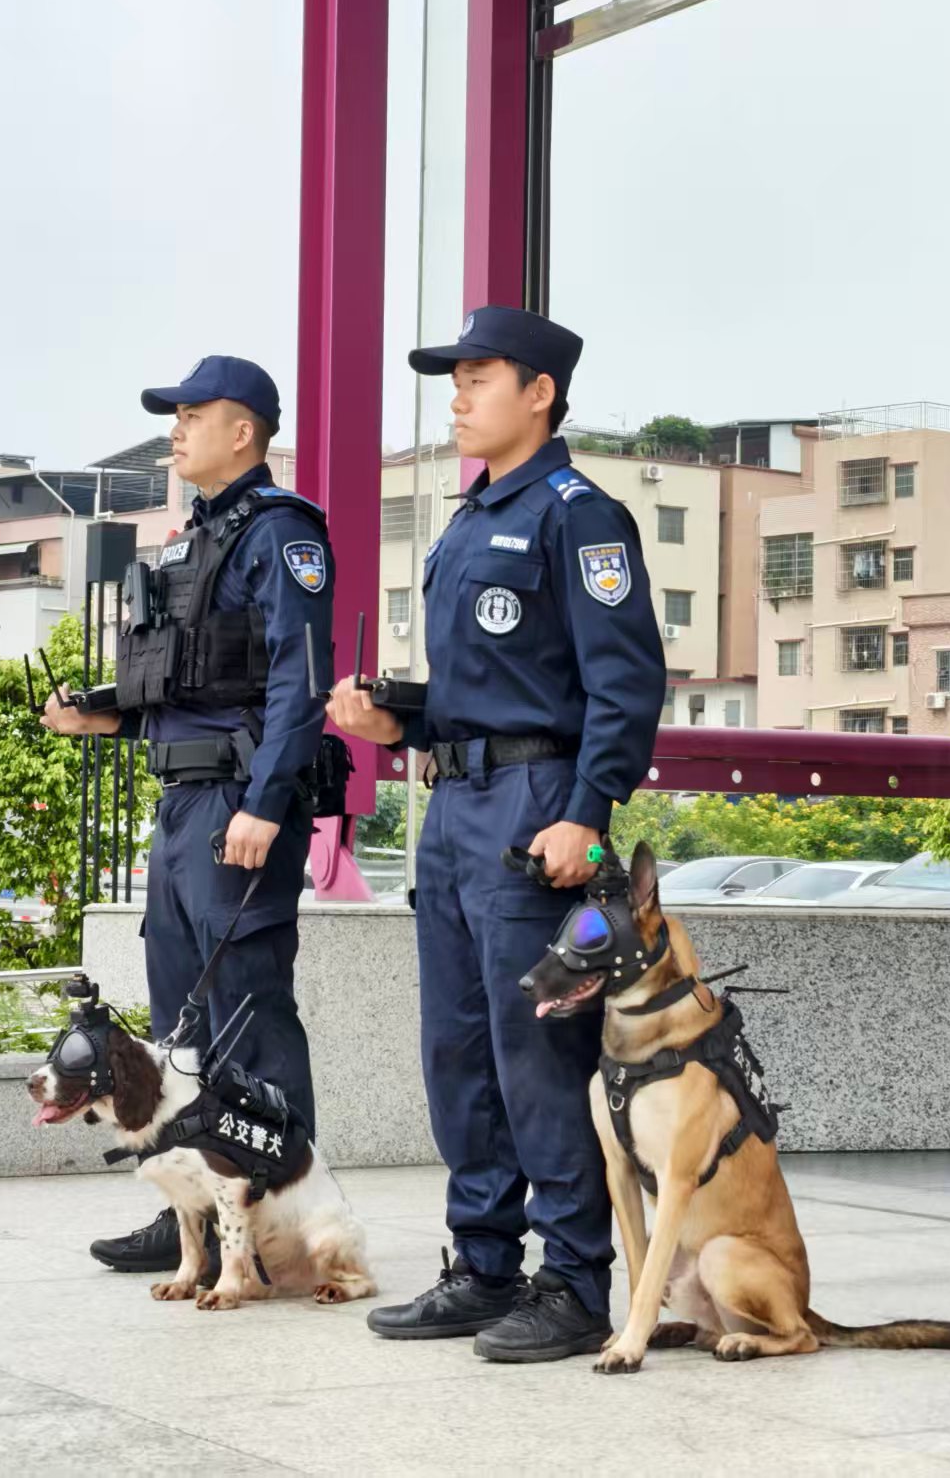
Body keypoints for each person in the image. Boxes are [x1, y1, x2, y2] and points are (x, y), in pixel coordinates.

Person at [327, 307, 666, 1363]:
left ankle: (572, 1279)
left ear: (541, 393)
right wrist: (398, 720)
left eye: (479, 377)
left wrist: (586, 811)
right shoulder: (471, 520)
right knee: (458, 1048)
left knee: (535, 1052)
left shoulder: (580, 515)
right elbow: (482, 690)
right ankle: (482, 1263)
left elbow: (624, 681)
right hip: (455, 807)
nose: (458, 395)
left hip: (535, 812)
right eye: (455, 379)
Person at [42, 355, 334, 1274]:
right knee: (181, 1032)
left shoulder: (283, 534)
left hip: (235, 805)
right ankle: (190, 1221)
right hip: (178, 804)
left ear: (242, 430)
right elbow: (187, 681)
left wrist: (266, 802)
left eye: (190, 415)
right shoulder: (190, 540)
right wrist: (105, 714)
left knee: (247, 1020)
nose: (174, 430)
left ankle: (287, 1220)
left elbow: (299, 683)